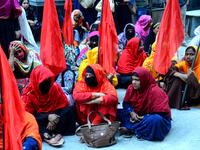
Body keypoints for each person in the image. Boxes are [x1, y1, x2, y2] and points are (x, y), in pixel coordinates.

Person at [22, 65, 77, 146]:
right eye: (43, 80)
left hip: (56, 118)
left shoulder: (55, 87)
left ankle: (45, 133)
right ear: (36, 80)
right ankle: (51, 132)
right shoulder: (29, 93)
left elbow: (64, 106)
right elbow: (28, 115)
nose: (46, 82)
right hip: (41, 119)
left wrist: (53, 119)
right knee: (30, 122)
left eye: (48, 79)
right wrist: (47, 117)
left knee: (72, 110)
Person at [117, 67, 171, 141]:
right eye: (133, 79)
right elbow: (126, 103)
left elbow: (162, 113)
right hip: (136, 114)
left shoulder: (155, 91)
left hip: (149, 117)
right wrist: (132, 113)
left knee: (156, 120)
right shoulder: (131, 88)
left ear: (144, 80)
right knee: (114, 112)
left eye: (137, 80)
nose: (134, 82)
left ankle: (130, 129)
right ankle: (137, 128)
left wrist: (142, 117)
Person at [163, 46, 200, 110]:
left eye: (192, 54)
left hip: (195, 96)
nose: (188, 57)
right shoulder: (184, 64)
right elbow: (171, 70)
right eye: (187, 54)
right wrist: (181, 76)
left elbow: (198, 89)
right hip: (185, 92)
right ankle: (172, 100)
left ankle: (170, 100)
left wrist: (194, 78)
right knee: (178, 76)